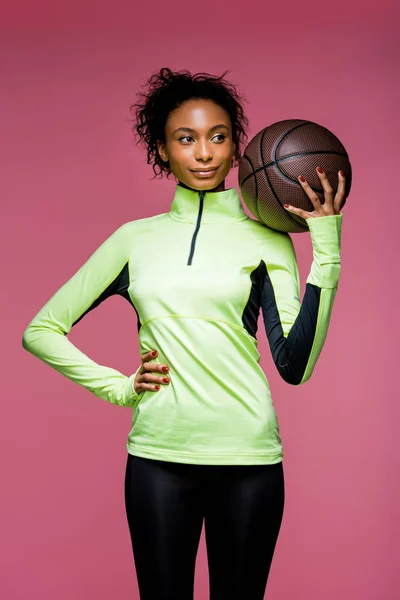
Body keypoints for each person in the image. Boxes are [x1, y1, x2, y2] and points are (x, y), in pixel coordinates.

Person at [22, 67, 344, 600]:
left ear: (237, 146)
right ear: (162, 149)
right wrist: (119, 387)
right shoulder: (133, 240)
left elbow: (296, 365)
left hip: (249, 461)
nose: (204, 153)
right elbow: (42, 330)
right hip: (157, 461)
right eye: (186, 139)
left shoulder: (268, 241)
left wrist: (325, 246)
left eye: (218, 137)